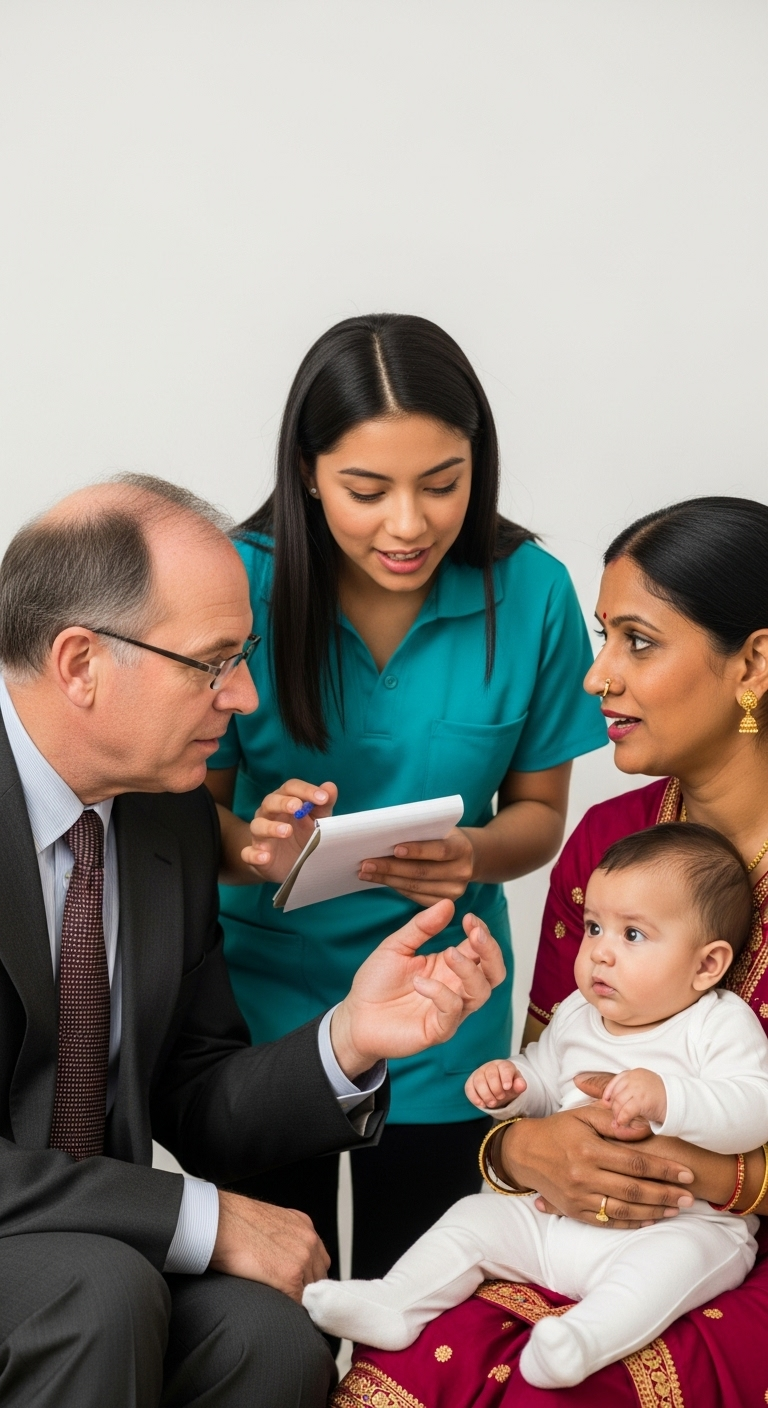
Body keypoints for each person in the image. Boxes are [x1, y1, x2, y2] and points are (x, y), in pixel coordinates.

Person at [0, 471, 507, 1408]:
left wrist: (353, 1037)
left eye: (247, 656)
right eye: (213, 661)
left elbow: (195, 1096)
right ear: (80, 664)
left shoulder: (169, 822)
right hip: (65, 1263)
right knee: (99, 1293)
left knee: (271, 1335)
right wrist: (203, 1215)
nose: (242, 697)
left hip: (93, 1243)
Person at [337, 496, 768, 1408]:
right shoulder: (611, 840)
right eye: (602, 636)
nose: (594, 678)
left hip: (723, 1251)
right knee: (410, 1364)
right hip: (580, 1227)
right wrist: (524, 1150)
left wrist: (708, 1177)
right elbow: (554, 1066)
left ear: (755, 662)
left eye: (637, 643)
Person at [206, 313, 607, 1282]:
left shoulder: (533, 590)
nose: (409, 524)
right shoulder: (236, 582)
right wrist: (254, 843)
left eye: (442, 483)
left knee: (423, 1301)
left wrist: (473, 853)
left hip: (444, 1007)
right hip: (267, 1008)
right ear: (307, 470)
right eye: (366, 488)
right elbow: (186, 814)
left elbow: (539, 818)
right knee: (275, 1308)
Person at [306, 823, 768, 1388]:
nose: (600, 952)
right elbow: (547, 1079)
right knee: (475, 1218)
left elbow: (754, 1106)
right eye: (595, 927)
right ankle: (396, 1302)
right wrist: (514, 1083)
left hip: (671, 1224)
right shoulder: (577, 1013)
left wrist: (672, 1099)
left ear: (706, 965)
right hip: (553, 1219)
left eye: (634, 936)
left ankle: (580, 1342)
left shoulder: (717, 1023)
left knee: (666, 1270)